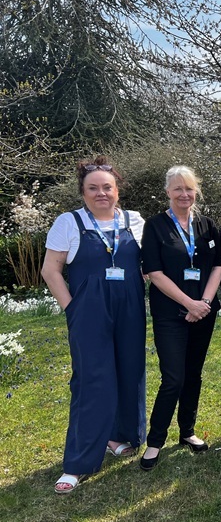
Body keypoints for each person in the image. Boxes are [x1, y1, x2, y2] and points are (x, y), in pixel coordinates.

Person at [42, 156, 147, 493]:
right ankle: (78, 462)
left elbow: (149, 265)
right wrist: (72, 309)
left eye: (107, 187)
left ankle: (119, 436)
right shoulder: (69, 222)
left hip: (130, 308)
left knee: (130, 371)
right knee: (92, 380)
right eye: (93, 188)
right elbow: (50, 270)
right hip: (89, 310)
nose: (101, 193)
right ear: (83, 192)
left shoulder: (134, 220)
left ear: (117, 190)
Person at [139, 166, 221, 471]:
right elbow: (154, 273)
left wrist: (204, 303)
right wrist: (189, 303)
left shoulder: (207, 225)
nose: (184, 194)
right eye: (178, 189)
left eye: (189, 188)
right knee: (173, 378)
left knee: (193, 375)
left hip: (203, 312)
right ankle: (155, 441)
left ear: (196, 191)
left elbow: (218, 266)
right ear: (168, 192)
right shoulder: (155, 226)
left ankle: (187, 431)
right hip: (171, 314)